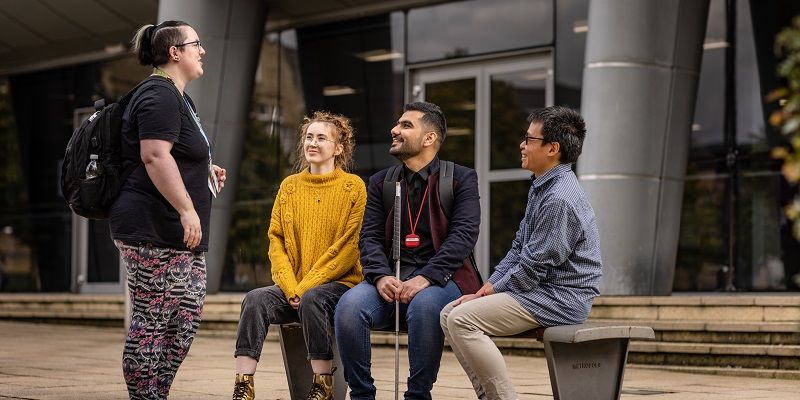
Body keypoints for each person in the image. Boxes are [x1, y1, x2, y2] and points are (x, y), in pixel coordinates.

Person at [440, 106, 602, 400]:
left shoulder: (559, 198)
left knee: (462, 319)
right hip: (541, 290)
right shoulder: (542, 186)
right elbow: (519, 249)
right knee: (449, 313)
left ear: (552, 148)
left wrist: (488, 293)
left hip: (560, 298)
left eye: (529, 139)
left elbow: (533, 267)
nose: (522, 145)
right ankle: (489, 396)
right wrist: (487, 288)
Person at [109, 21, 226, 399]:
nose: (202, 51)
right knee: (153, 323)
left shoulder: (179, 98)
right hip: (152, 228)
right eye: (196, 44)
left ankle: (156, 393)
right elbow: (154, 155)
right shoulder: (158, 94)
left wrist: (204, 168)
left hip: (179, 234)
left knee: (184, 321)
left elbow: (174, 151)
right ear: (175, 52)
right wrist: (187, 208)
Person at [334, 102, 482, 400]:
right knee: (349, 307)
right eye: (397, 124)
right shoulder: (381, 182)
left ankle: (418, 395)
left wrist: (426, 277)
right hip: (391, 276)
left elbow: (463, 236)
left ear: (429, 138)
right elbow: (370, 238)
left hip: (443, 279)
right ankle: (362, 395)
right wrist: (379, 277)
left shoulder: (461, 179)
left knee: (425, 306)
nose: (395, 129)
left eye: (406, 125)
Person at [231, 111, 366, 400]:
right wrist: (292, 287)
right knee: (255, 299)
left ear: (339, 147)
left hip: (338, 286)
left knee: (314, 299)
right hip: (294, 287)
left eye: (321, 137)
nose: (312, 143)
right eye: (308, 137)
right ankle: (244, 384)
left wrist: (303, 289)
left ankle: (322, 384)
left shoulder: (353, 187)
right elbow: (276, 240)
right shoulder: (289, 187)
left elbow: (347, 248)